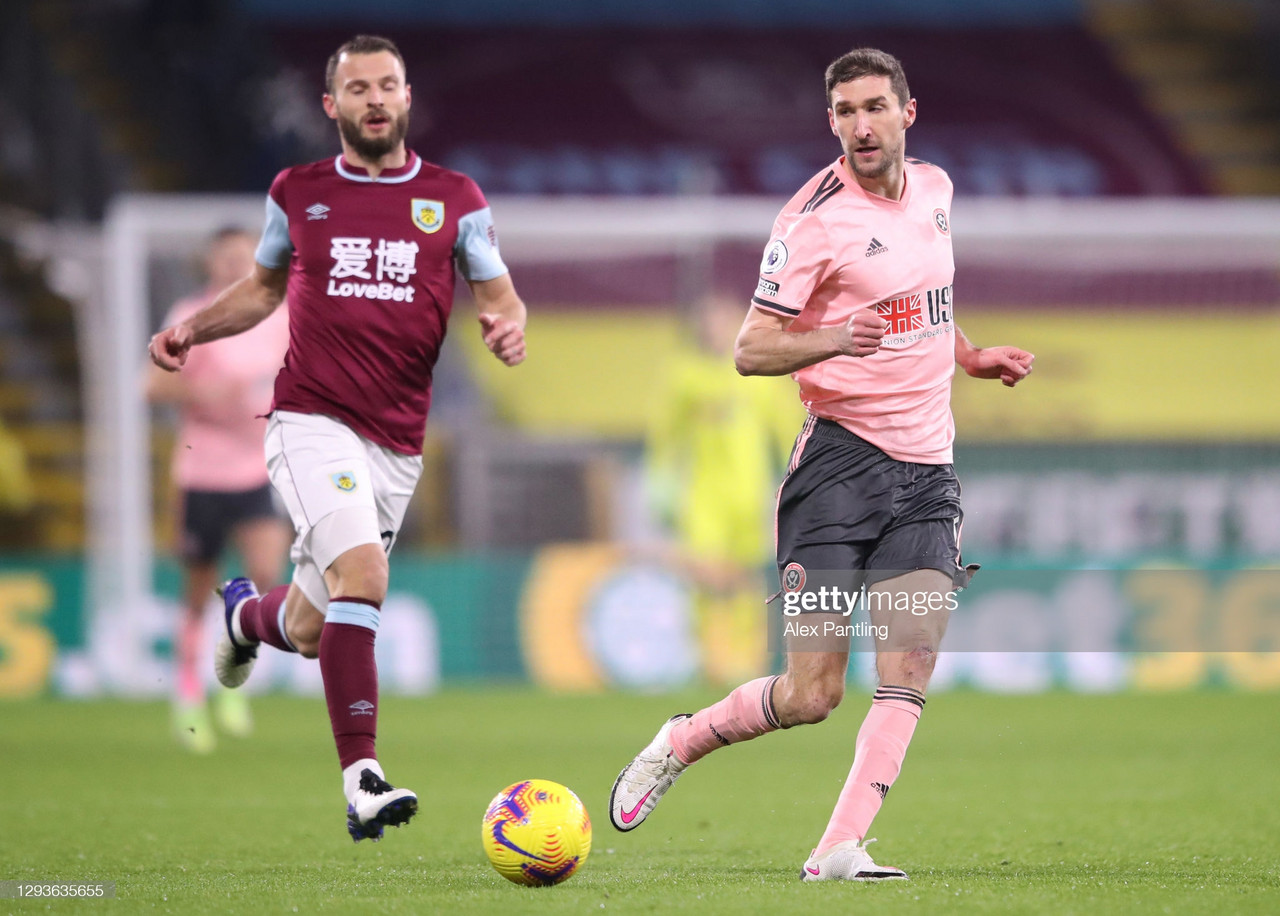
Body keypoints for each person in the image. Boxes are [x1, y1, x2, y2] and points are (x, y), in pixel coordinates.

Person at [608, 47, 1034, 880]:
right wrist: (840, 334)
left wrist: (972, 356)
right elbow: (750, 346)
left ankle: (839, 846)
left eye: (875, 107)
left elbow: (929, 302)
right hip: (838, 468)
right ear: (830, 120)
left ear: (909, 112)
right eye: (845, 112)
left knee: (909, 662)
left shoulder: (938, 191)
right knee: (813, 695)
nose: (861, 125)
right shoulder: (813, 219)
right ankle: (678, 740)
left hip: (929, 472)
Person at [148, 34, 527, 842]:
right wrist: (194, 332)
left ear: (407, 96)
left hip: (398, 440)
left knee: (316, 627)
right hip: (311, 420)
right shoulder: (299, 192)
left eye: (387, 85)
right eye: (358, 88)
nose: (376, 99)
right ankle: (363, 779)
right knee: (367, 571)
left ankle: (243, 619)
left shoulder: (456, 199)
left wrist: (504, 328)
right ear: (333, 106)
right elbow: (259, 289)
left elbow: (502, 296)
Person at [145, 226, 292, 754]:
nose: (235, 264)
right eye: (226, 256)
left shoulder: (279, 315)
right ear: (210, 262)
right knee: (196, 592)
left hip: (259, 467)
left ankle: (232, 677)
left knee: (266, 576)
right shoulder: (192, 314)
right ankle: (187, 692)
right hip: (202, 472)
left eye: (244, 255)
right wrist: (199, 389)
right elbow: (152, 383)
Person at [645, 293, 800, 684]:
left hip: (748, 493)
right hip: (702, 495)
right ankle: (703, 655)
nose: (716, 330)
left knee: (746, 578)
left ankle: (744, 660)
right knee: (703, 574)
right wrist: (660, 481)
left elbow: (786, 430)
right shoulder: (685, 375)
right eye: (710, 321)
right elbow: (666, 434)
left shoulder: (759, 376)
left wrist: (797, 477)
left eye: (724, 321)